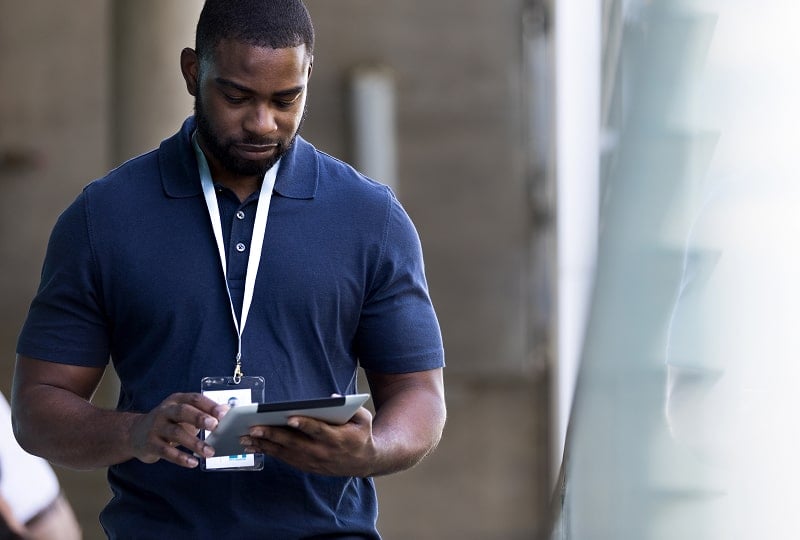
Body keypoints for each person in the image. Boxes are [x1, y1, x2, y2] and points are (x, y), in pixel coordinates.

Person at [10, 1, 446, 538]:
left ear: (308, 75)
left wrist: (372, 449)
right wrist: (135, 432)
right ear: (193, 71)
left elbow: (420, 395)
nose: (262, 123)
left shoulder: (371, 218)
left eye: (286, 100)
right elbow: (37, 408)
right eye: (237, 97)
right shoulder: (102, 218)